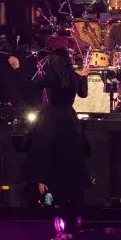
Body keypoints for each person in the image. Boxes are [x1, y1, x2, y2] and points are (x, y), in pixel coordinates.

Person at [24, 48, 89, 210]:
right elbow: (83, 94)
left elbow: (33, 84)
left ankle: (44, 187)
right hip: (69, 118)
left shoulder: (51, 77)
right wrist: (84, 77)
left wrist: (39, 67)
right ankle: (68, 193)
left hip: (52, 117)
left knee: (45, 150)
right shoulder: (74, 76)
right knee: (69, 154)